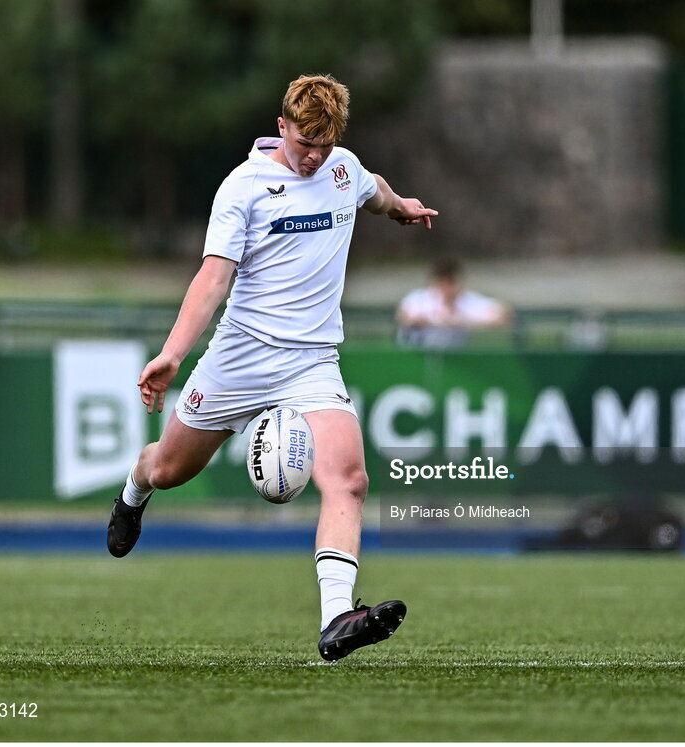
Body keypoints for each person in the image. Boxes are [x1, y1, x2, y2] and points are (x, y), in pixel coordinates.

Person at [106, 74, 437, 662]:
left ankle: (337, 617)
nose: (313, 158)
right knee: (169, 470)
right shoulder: (244, 188)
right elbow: (214, 277)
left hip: (312, 361)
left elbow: (372, 188)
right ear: (281, 125)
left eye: (324, 146)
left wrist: (401, 208)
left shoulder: (343, 168)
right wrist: (173, 354)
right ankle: (133, 493)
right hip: (241, 356)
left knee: (350, 480)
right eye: (304, 144)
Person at [396, 257, 511, 348]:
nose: (447, 288)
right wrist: (433, 322)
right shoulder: (421, 299)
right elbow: (405, 316)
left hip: (456, 361)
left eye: (451, 282)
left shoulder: (467, 301)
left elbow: (502, 313)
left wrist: (459, 322)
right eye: (443, 282)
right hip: (420, 357)